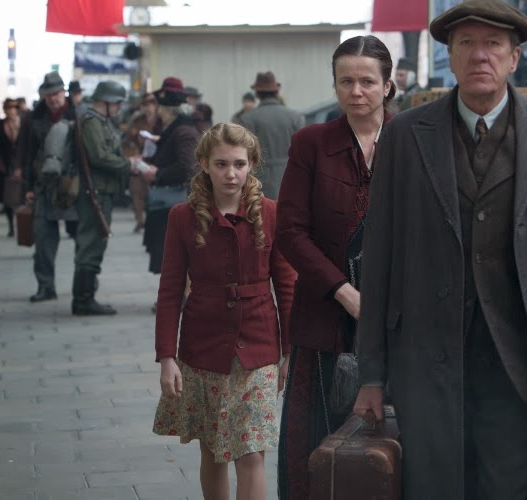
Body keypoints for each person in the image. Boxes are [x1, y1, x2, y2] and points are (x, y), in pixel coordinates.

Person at [354, 1, 527, 499]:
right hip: (429, 359)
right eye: (467, 44)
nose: (480, 55)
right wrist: (371, 372)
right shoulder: (405, 137)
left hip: (524, 361)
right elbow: (381, 257)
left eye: (493, 44)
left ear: (515, 57)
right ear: (451, 58)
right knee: (435, 485)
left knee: (514, 487)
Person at [274, 35, 395, 500]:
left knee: (388, 443)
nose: (356, 91)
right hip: (323, 317)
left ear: (388, 84)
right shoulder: (312, 143)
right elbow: (289, 232)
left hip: (396, 318)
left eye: (367, 81)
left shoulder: (410, 141)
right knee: (313, 445)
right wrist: (343, 292)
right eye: (346, 81)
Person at [153, 122, 296, 500]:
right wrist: (167, 357)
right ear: (203, 163)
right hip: (203, 349)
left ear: (252, 164)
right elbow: (169, 291)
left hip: (259, 348)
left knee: (251, 453)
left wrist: (289, 351)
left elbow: (287, 286)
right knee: (213, 450)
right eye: (220, 164)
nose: (230, 174)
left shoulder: (271, 213)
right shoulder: (182, 217)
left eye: (238, 163)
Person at [72, 80, 133, 316]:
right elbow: (99, 156)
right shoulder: (91, 122)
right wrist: (128, 165)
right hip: (94, 192)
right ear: (105, 102)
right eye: (117, 103)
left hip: (101, 191)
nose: (119, 108)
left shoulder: (100, 121)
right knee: (92, 242)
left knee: (96, 240)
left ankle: (86, 296)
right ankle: (83, 300)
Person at [18, 71, 79, 303]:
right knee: (43, 239)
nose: (53, 99)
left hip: (73, 186)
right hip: (44, 185)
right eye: (49, 95)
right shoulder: (34, 119)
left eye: (57, 93)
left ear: (64, 93)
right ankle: (46, 286)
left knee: (82, 239)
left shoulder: (79, 116)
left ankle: (85, 286)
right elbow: (27, 154)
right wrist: (28, 187)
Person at [138, 77, 201, 278]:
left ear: (168, 111)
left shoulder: (183, 130)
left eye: (160, 109)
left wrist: (158, 173)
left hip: (175, 200)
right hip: (168, 201)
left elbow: (187, 166)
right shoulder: (175, 129)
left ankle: (179, 298)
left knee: (176, 254)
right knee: (170, 253)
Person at [236, 71, 305, 200]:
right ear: (277, 92)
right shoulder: (296, 117)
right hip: (291, 178)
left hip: (259, 179)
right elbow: (303, 152)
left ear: (256, 94)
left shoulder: (247, 119)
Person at [0, 98, 22, 236]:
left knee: (23, 197)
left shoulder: (24, 123)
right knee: (8, 198)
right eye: (8, 108)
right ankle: (11, 226)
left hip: (22, 163)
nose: (10, 111)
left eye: (13, 108)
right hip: (6, 163)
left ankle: (24, 224)